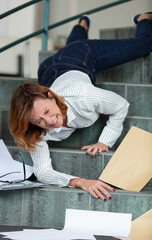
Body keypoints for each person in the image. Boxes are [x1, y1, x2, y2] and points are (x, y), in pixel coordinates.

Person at [9, 13, 152, 201]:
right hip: (47, 70)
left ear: (50, 96)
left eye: (46, 112)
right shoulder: (36, 129)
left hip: (81, 58)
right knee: (69, 47)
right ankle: (82, 25)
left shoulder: (85, 96)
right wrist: (79, 181)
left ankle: (144, 18)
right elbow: (43, 172)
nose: (49, 121)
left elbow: (120, 105)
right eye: (39, 120)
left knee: (144, 45)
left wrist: (105, 142)